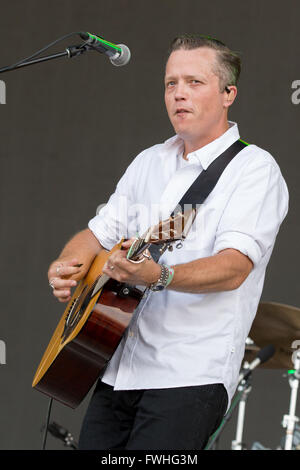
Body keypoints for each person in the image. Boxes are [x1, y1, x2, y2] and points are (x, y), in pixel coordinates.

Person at [48, 35, 289, 450]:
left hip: (188, 376)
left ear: (228, 93)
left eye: (194, 82)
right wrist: (68, 264)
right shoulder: (149, 162)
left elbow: (234, 266)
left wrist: (159, 275)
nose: (178, 94)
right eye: (170, 83)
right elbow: (96, 234)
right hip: (117, 369)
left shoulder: (254, 170)